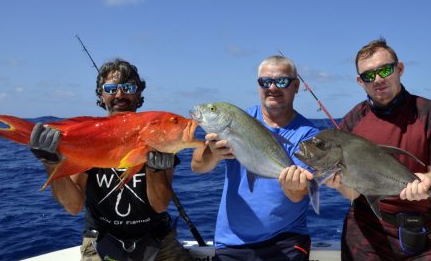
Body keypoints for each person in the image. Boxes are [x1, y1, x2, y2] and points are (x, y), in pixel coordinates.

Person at [28, 59, 193, 261]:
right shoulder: (89, 137)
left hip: (157, 240)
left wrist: (155, 170)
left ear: (139, 93)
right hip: (100, 242)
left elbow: (159, 206)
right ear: (101, 95)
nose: (120, 95)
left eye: (128, 87)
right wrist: (50, 162)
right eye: (111, 88)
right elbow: (73, 206)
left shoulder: (158, 136)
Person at [326, 38, 431, 260]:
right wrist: (337, 184)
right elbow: (353, 193)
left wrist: (424, 181)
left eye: (384, 70)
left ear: (400, 69)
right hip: (367, 225)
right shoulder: (351, 123)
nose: (377, 79)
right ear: (360, 81)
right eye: (368, 75)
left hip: (422, 224)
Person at [191, 55, 319, 261]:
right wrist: (212, 153)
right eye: (265, 81)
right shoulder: (239, 119)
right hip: (232, 241)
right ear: (258, 85)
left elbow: (298, 195)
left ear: (296, 86)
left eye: (282, 81)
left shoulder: (309, 134)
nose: (273, 87)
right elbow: (197, 166)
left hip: (285, 241)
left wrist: (294, 184)